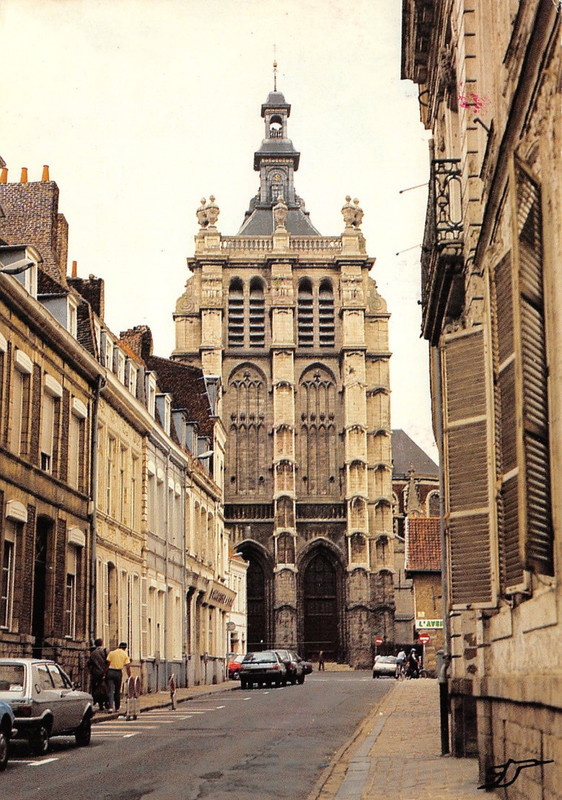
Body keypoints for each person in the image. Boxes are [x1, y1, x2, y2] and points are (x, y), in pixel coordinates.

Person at [105, 642, 132, 712]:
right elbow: (128, 667)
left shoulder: (112, 653)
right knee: (117, 690)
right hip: (118, 673)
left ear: (119, 646)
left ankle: (110, 707)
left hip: (110, 672)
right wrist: (129, 676)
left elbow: (107, 663)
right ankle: (117, 707)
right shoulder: (125, 655)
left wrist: (105, 673)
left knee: (110, 690)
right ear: (125, 648)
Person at [87, 638, 108, 711]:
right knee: (105, 688)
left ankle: (100, 704)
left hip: (96, 673)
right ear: (102, 644)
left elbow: (89, 663)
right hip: (104, 672)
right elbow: (108, 662)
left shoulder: (93, 653)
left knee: (97, 689)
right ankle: (106, 703)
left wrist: (91, 671)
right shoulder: (105, 651)